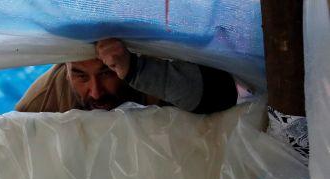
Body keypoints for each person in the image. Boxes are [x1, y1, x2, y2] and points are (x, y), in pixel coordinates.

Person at [16, 38, 237, 114]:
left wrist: (135, 70)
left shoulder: (146, 70)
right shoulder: (44, 99)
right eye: (81, 76)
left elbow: (224, 96)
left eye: (107, 73)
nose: (96, 92)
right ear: (66, 68)